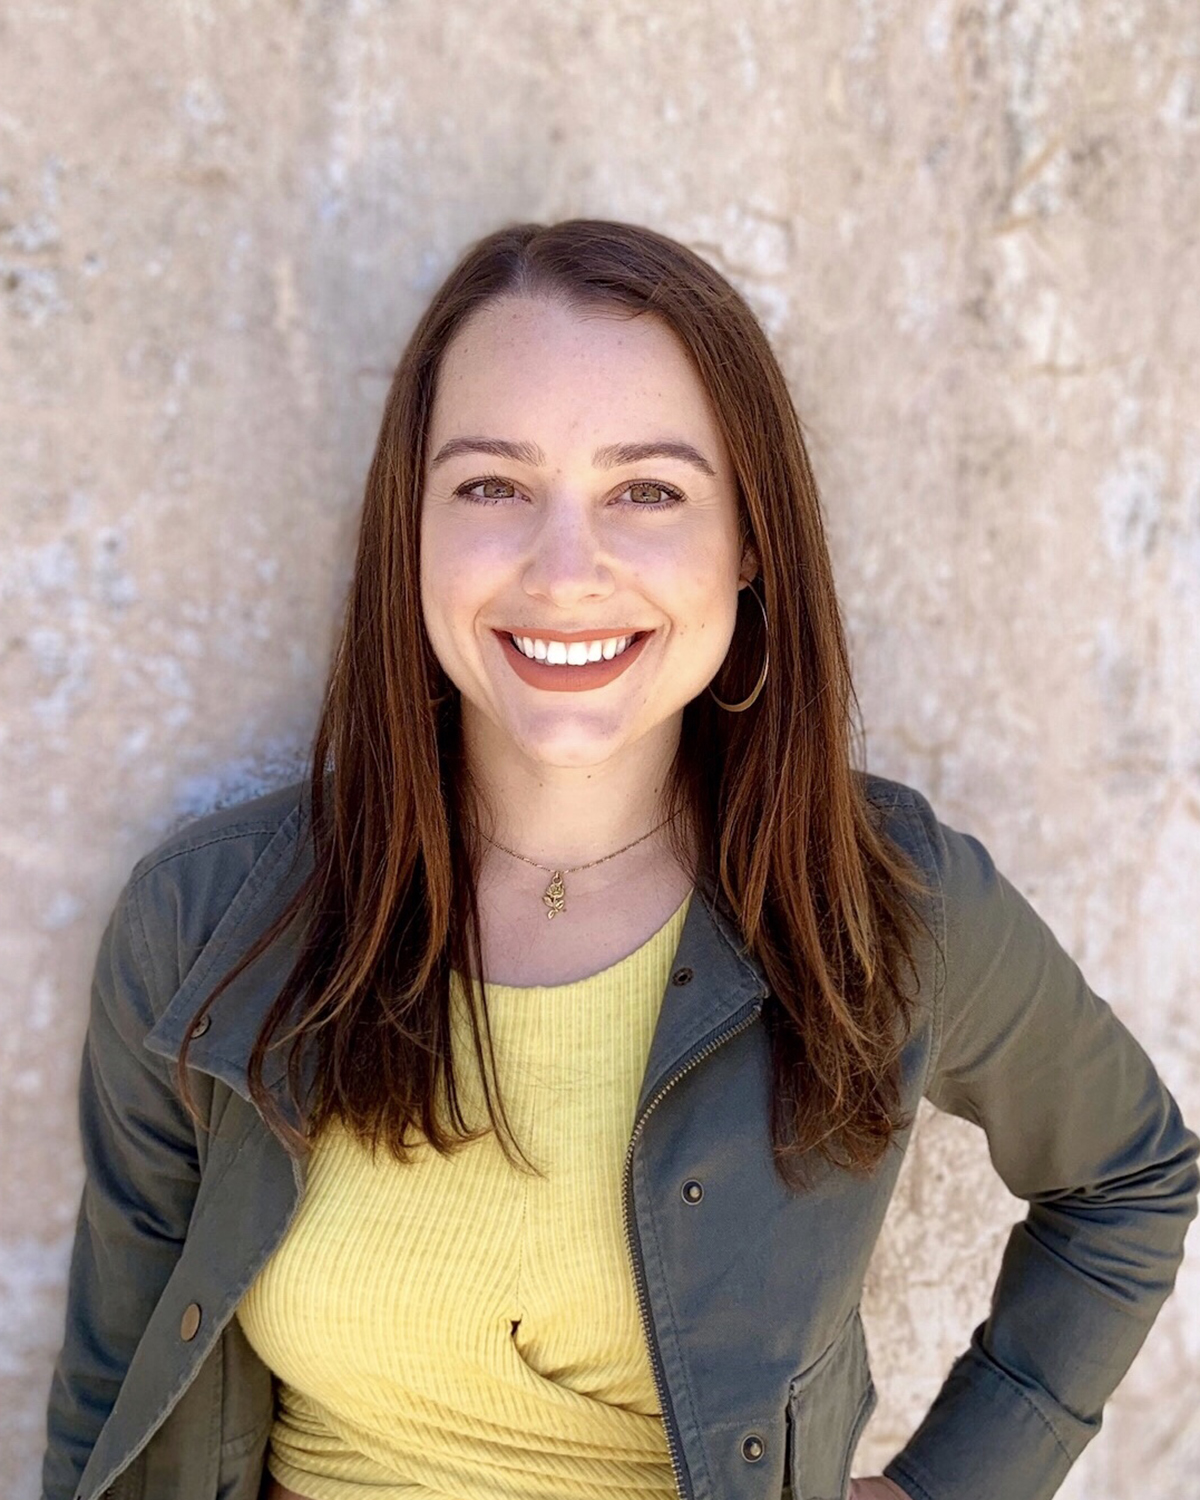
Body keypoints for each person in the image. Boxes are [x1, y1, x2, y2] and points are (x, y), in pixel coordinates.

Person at [42, 219, 1198, 1500]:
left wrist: (954, 1487)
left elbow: (1129, 1180)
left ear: (749, 542)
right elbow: (117, 1389)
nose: (566, 570)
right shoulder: (203, 925)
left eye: (648, 490)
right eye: (493, 487)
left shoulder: (884, 905)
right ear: (409, 529)